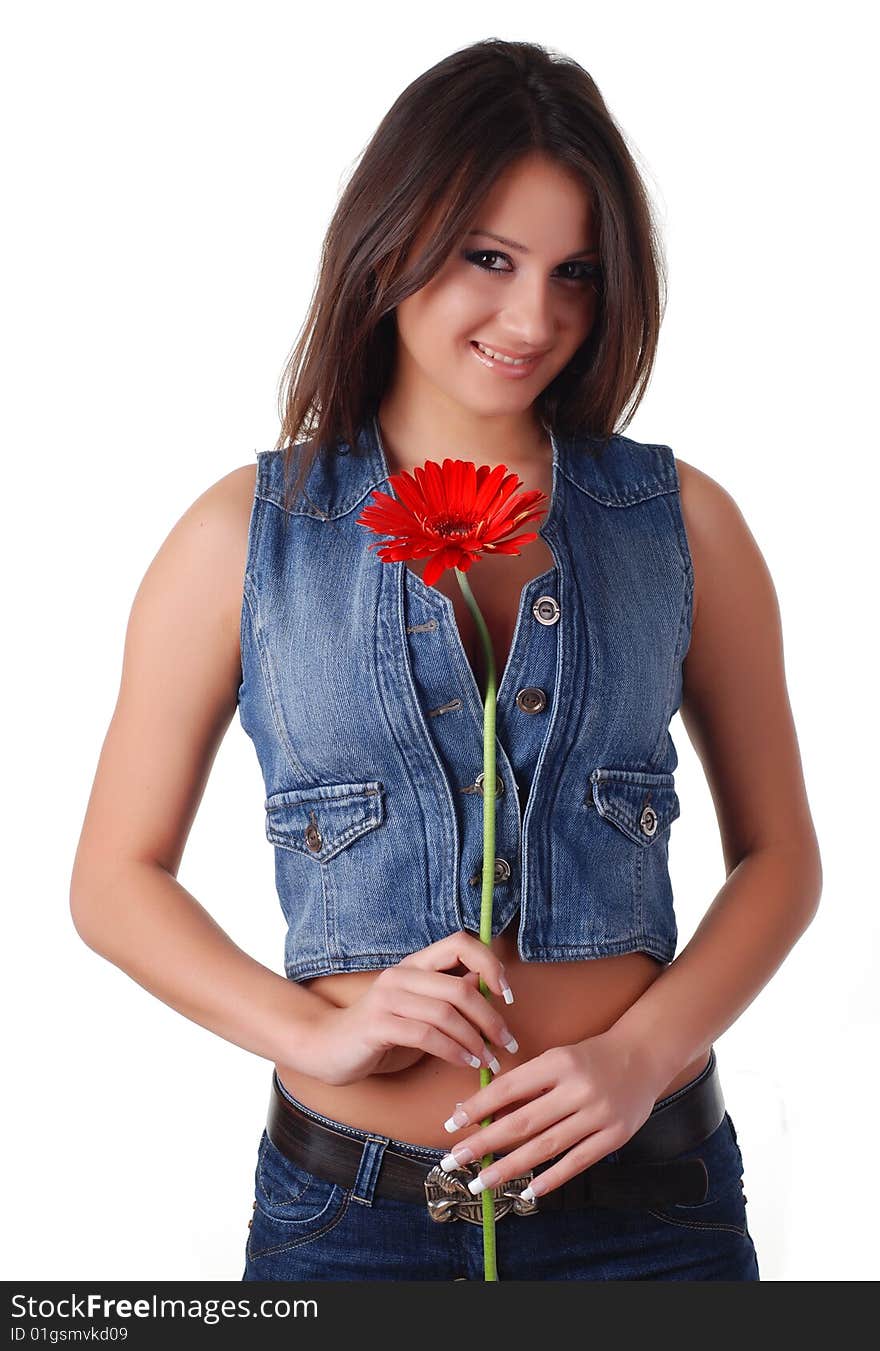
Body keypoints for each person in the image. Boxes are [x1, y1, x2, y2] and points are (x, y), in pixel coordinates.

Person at [69, 39, 822, 1282]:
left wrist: (639, 1058)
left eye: (574, 273)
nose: (534, 319)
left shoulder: (680, 525)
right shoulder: (242, 541)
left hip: (650, 1211)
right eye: (489, 258)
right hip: (350, 1224)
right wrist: (312, 1032)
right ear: (392, 238)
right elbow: (112, 879)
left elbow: (782, 857)